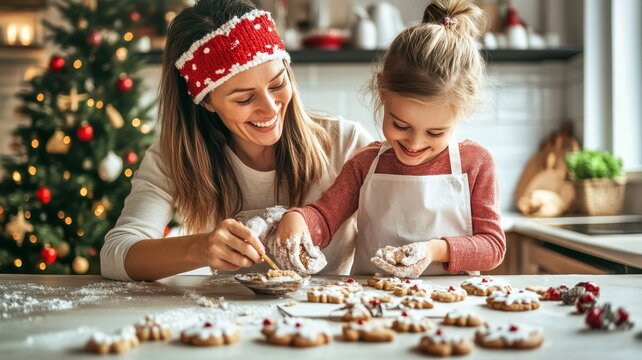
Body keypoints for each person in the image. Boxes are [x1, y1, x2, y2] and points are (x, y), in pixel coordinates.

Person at [100, 0, 372, 281]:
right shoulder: (176, 157)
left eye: (278, 84)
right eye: (244, 98)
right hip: (225, 321)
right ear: (206, 102)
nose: (269, 108)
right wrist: (200, 248)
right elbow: (115, 255)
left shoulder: (347, 143)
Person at [275, 0, 506, 277]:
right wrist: (298, 218)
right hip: (373, 305)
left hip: (453, 309)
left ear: (460, 116)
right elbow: (325, 218)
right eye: (400, 125)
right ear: (383, 95)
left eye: (435, 132)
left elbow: (492, 246)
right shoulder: (365, 164)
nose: (415, 143)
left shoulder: (476, 164)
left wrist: (433, 250)